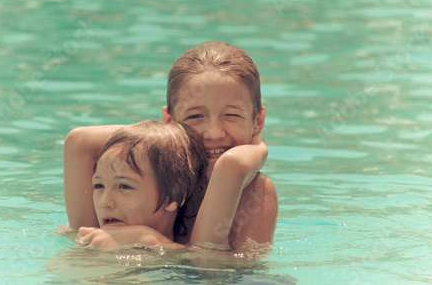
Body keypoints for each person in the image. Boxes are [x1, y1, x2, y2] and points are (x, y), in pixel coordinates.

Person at [65, 41, 278, 250]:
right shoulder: (151, 164)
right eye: (195, 116)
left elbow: (219, 272)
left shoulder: (256, 192)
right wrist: (165, 137)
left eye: (231, 115)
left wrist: (149, 240)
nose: (214, 133)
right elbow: (79, 141)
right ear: (169, 120)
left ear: (257, 122)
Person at [79, 120, 207, 248]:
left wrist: (147, 239)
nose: (104, 202)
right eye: (98, 186)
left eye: (124, 186)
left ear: (172, 197)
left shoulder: (188, 261)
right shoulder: (87, 241)